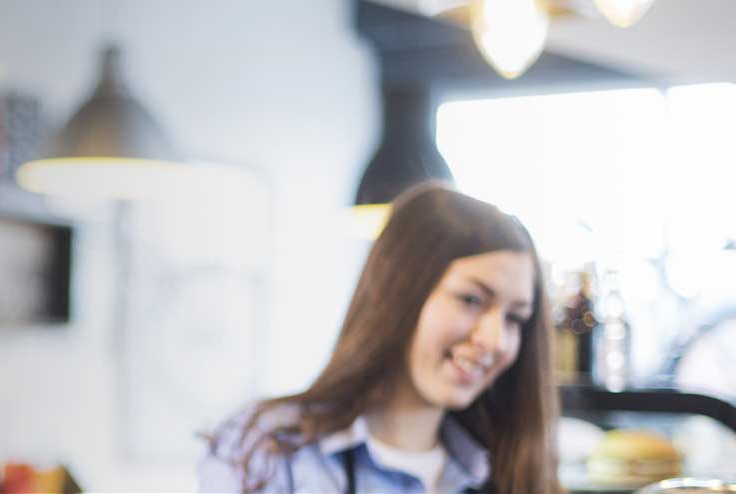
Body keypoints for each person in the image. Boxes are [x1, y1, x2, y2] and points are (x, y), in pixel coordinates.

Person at [201, 185, 561, 494]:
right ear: (399, 292)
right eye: (471, 300)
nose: (496, 340)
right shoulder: (268, 448)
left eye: (514, 318)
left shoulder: (510, 472)